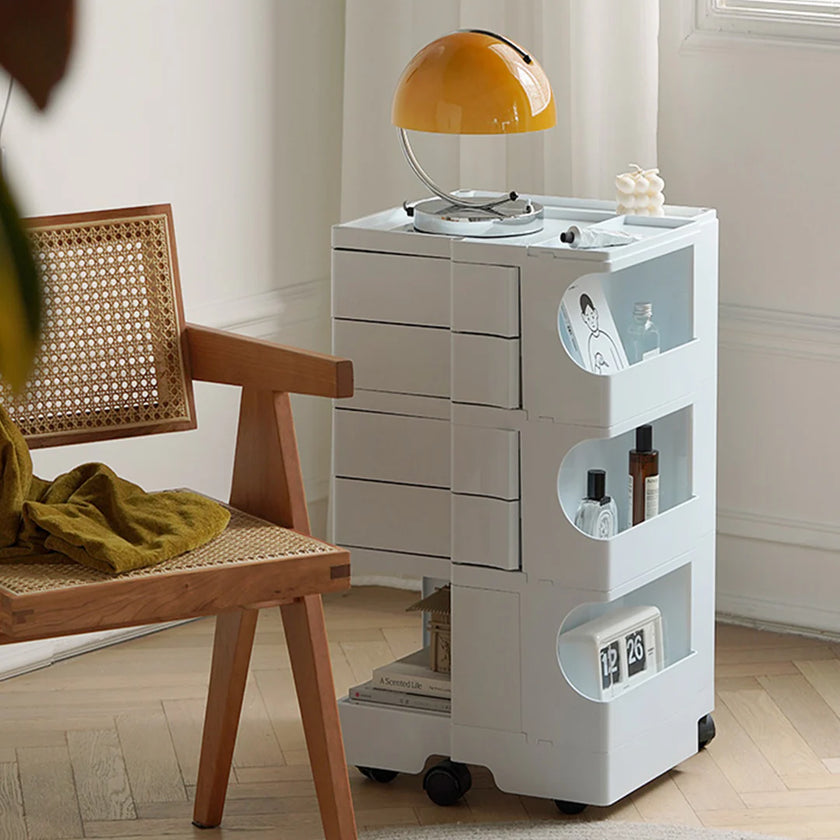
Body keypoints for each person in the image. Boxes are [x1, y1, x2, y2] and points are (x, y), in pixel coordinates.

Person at [579, 293, 626, 375]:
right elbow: (592, 372)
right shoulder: (590, 344)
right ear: (584, 318)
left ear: (596, 313)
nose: (592, 322)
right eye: (588, 318)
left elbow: (619, 363)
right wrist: (597, 364)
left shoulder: (606, 338)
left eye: (592, 316)